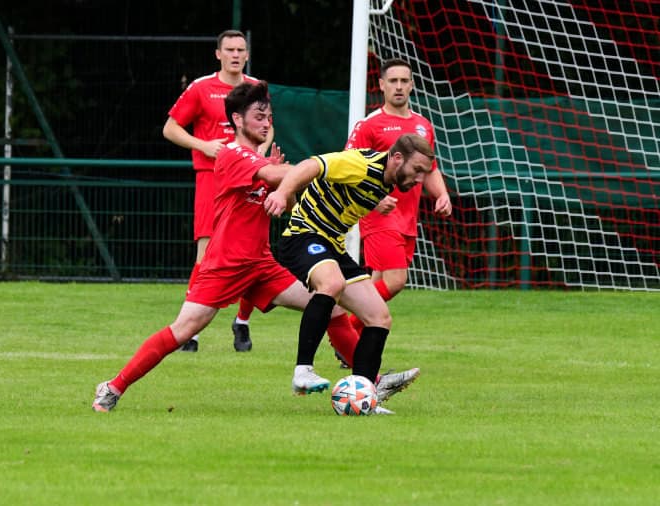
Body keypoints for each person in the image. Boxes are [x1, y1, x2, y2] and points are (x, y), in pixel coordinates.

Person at [94, 81, 334, 413]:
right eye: (259, 116)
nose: (266, 123)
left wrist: (286, 184)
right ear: (237, 119)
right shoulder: (232, 153)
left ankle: (369, 380)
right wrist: (313, 170)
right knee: (184, 330)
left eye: (269, 117)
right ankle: (113, 387)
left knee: (328, 302)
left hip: (260, 264)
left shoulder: (260, 160)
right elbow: (272, 175)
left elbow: (287, 204)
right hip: (225, 263)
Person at [264, 133, 436, 413]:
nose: (420, 179)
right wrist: (282, 193)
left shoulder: (386, 181)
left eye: (424, 173)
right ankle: (302, 372)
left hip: (333, 245)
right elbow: (312, 166)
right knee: (332, 284)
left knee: (379, 317)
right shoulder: (361, 164)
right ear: (396, 158)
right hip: (303, 236)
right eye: (417, 170)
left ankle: (365, 395)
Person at [162, 29, 272, 352]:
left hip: (249, 177)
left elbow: (268, 125)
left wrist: (260, 154)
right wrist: (203, 145)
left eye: (240, 50)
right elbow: (170, 128)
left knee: (256, 250)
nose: (235, 55)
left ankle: (242, 321)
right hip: (211, 177)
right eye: (230, 50)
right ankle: (190, 331)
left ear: (247, 54)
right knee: (207, 251)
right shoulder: (201, 88)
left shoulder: (256, 88)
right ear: (218, 54)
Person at [344, 59, 452, 335]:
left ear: (412, 85)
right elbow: (348, 167)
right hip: (378, 214)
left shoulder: (422, 125)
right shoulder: (369, 125)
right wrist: (372, 198)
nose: (399, 86)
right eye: (393, 81)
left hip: (407, 218)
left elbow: (430, 169)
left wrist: (442, 195)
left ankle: (352, 343)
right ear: (382, 85)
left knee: (377, 282)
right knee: (396, 280)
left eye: (404, 81)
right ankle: (344, 329)